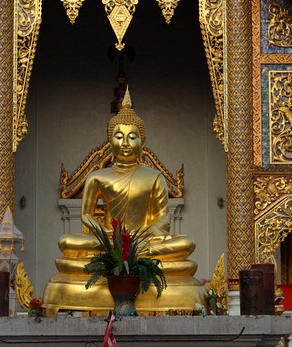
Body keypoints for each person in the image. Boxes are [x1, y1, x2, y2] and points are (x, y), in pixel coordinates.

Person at [58, 90, 195, 263]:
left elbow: (164, 218)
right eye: (118, 136)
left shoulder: (154, 177)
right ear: (110, 141)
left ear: (142, 141)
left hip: (143, 241)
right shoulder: (97, 177)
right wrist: (106, 234)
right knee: (67, 242)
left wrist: (138, 238)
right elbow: (86, 216)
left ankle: (132, 252)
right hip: (109, 242)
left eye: (132, 137)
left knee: (185, 243)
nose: (125, 144)